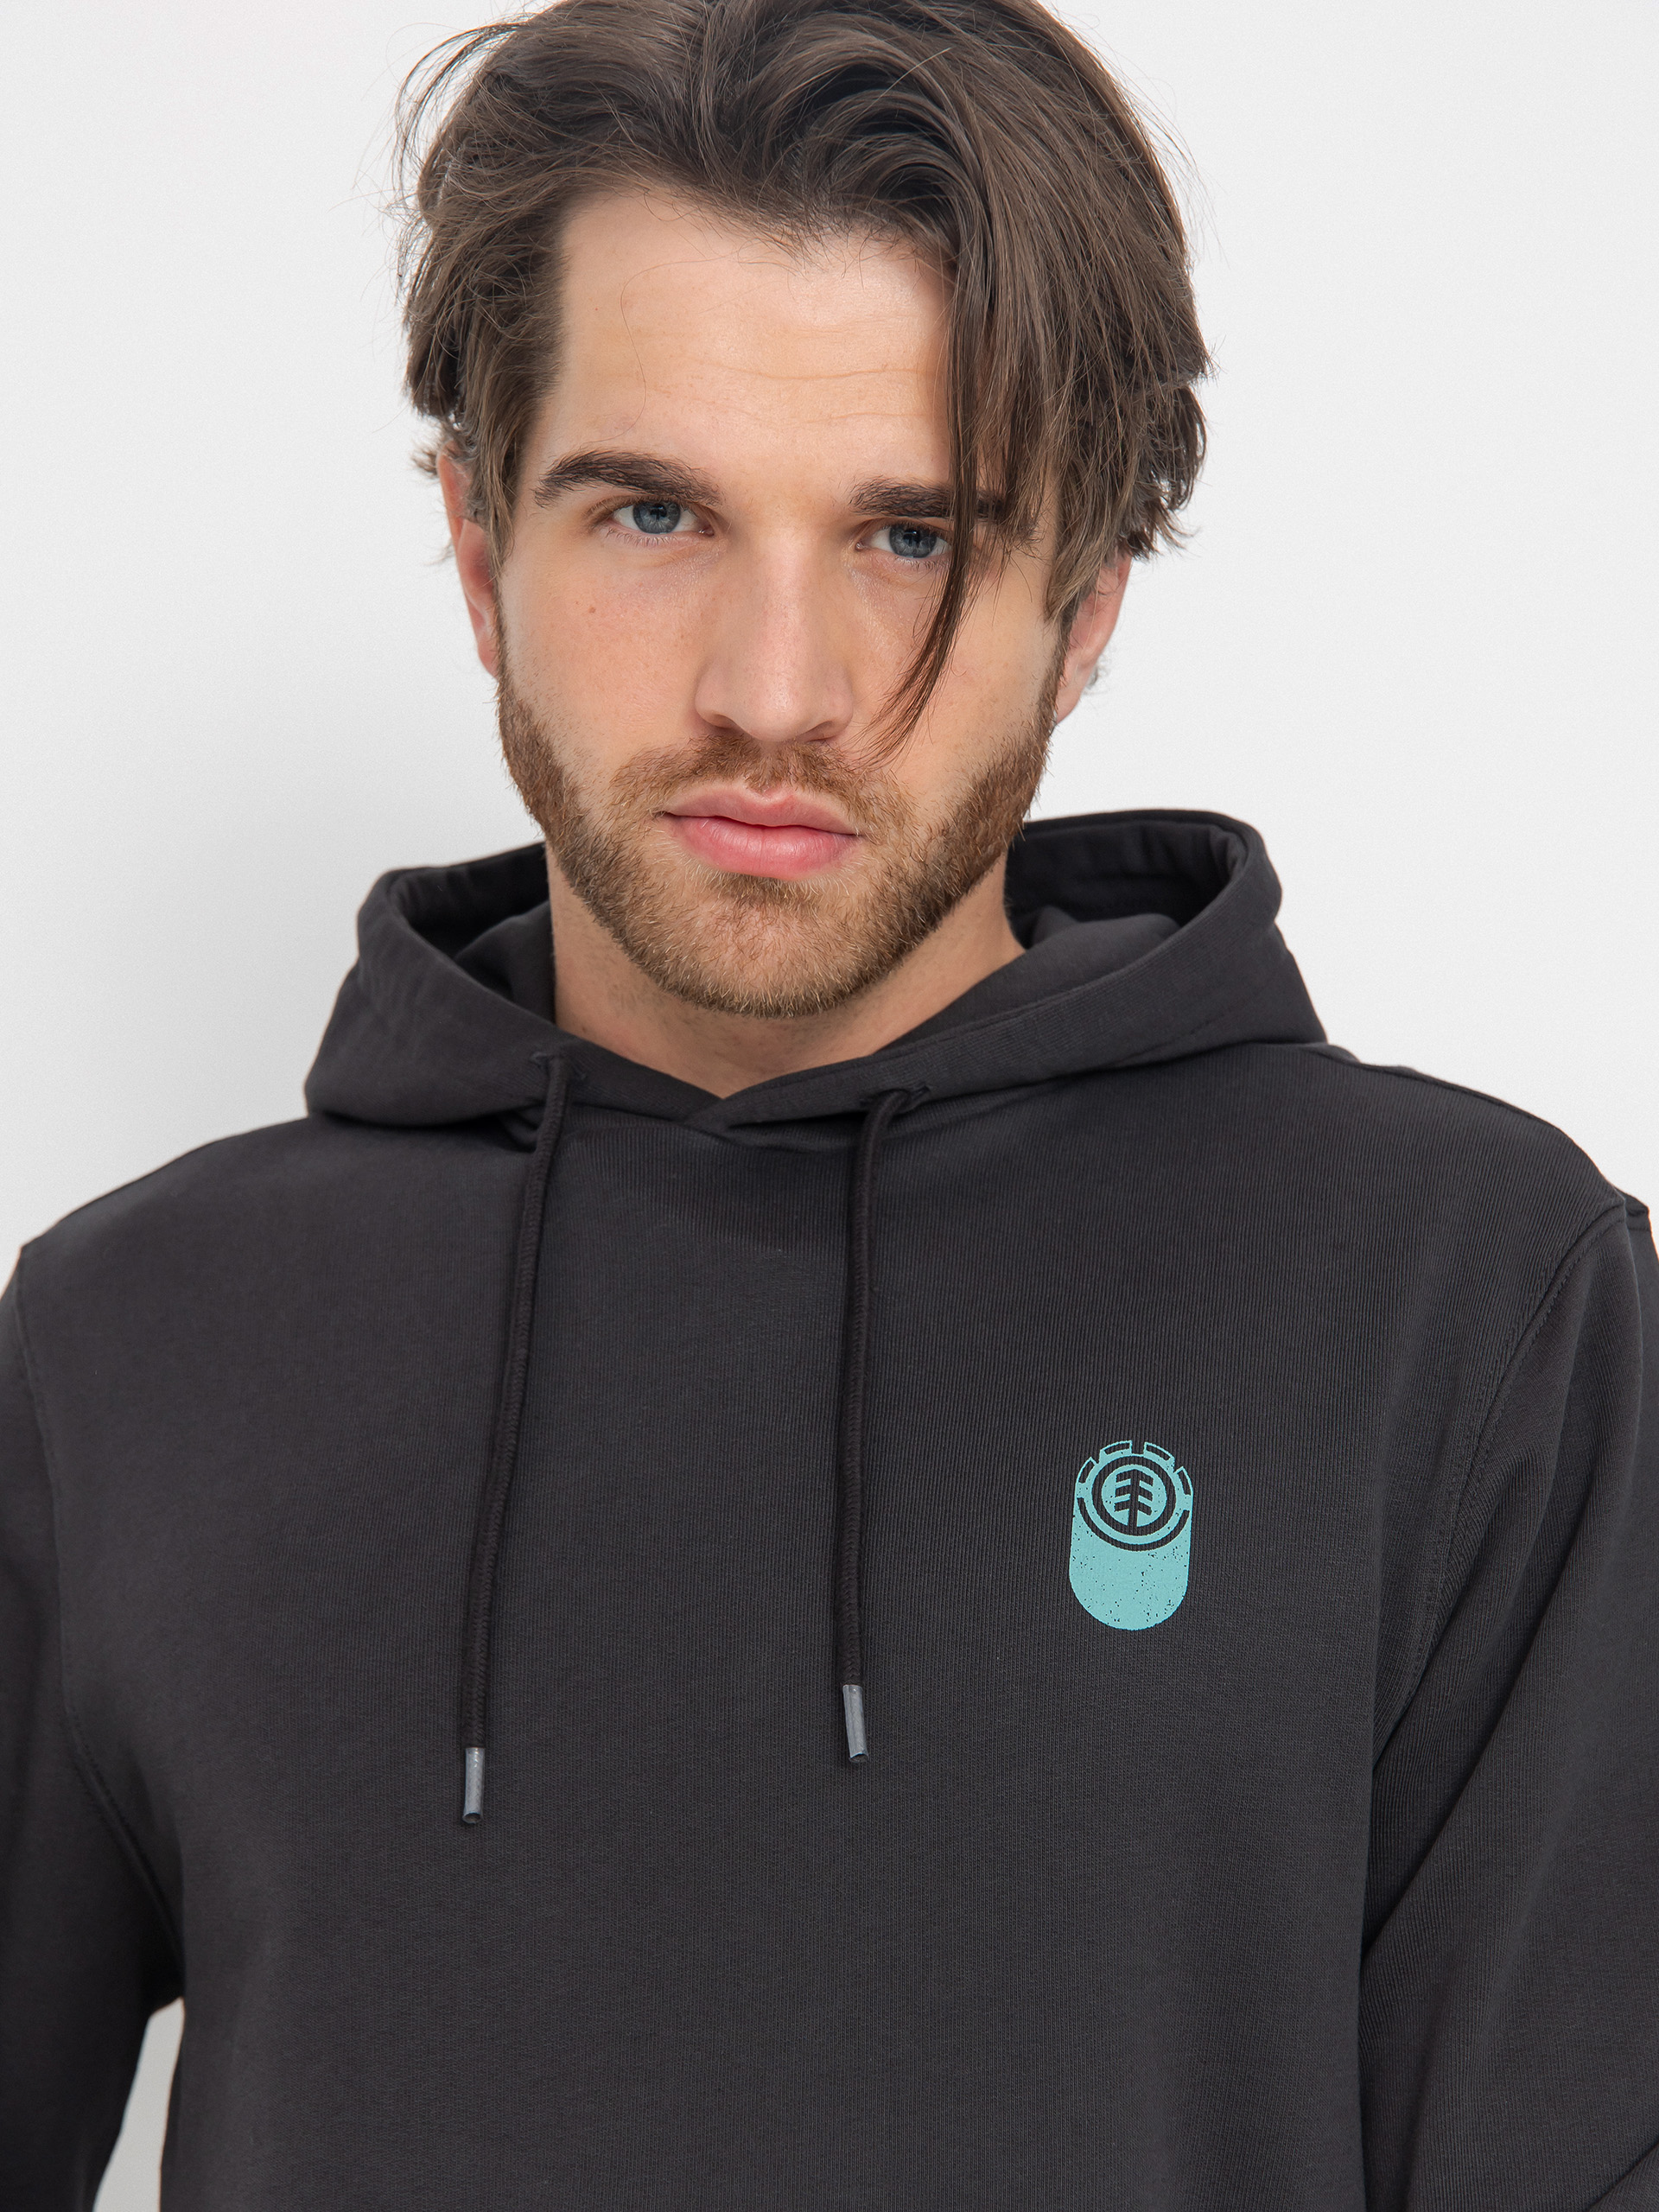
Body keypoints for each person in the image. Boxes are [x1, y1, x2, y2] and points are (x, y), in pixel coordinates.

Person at [3, 0, 1655, 2201]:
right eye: (655, 510)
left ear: (1090, 603)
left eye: (911, 536)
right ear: (481, 548)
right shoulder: (130, 1343)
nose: (771, 690)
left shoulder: (1464, 1304)